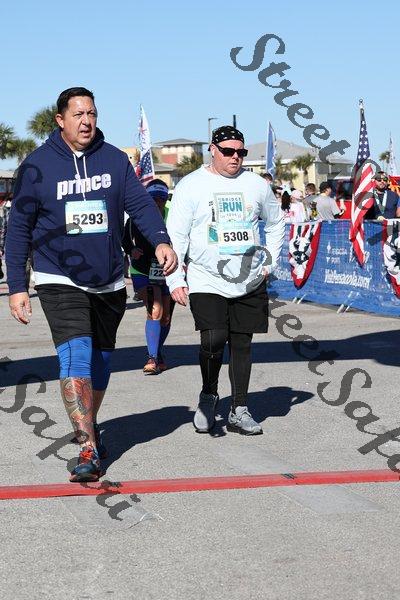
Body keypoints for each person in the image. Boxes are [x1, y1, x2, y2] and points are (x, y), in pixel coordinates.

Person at [5, 87, 177, 482]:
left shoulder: (114, 160)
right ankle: (87, 446)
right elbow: (19, 230)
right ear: (60, 120)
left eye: (92, 114)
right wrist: (17, 285)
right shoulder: (36, 166)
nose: (86, 121)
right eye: (78, 114)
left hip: (109, 278)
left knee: (100, 362)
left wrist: (161, 240)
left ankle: (89, 426)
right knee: (76, 355)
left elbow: (140, 206)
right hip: (58, 277)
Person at [166, 125, 285, 435]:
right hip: (206, 277)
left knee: (242, 343)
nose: (236, 157)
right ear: (213, 150)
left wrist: (270, 259)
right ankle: (209, 395)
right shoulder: (191, 185)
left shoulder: (257, 185)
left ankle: (239, 409)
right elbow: (176, 236)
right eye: (229, 152)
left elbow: (276, 223)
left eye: (241, 152)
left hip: (248, 278)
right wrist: (175, 279)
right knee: (214, 338)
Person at [122, 179, 174, 374]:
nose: (158, 203)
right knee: (155, 309)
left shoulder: (174, 215)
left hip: (168, 270)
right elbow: (125, 238)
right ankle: (152, 357)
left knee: (165, 317)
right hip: (142, 270)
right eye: (154, 198)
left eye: (161, 199)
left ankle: (157, 352)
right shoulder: (138, 215)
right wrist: (131, 249)